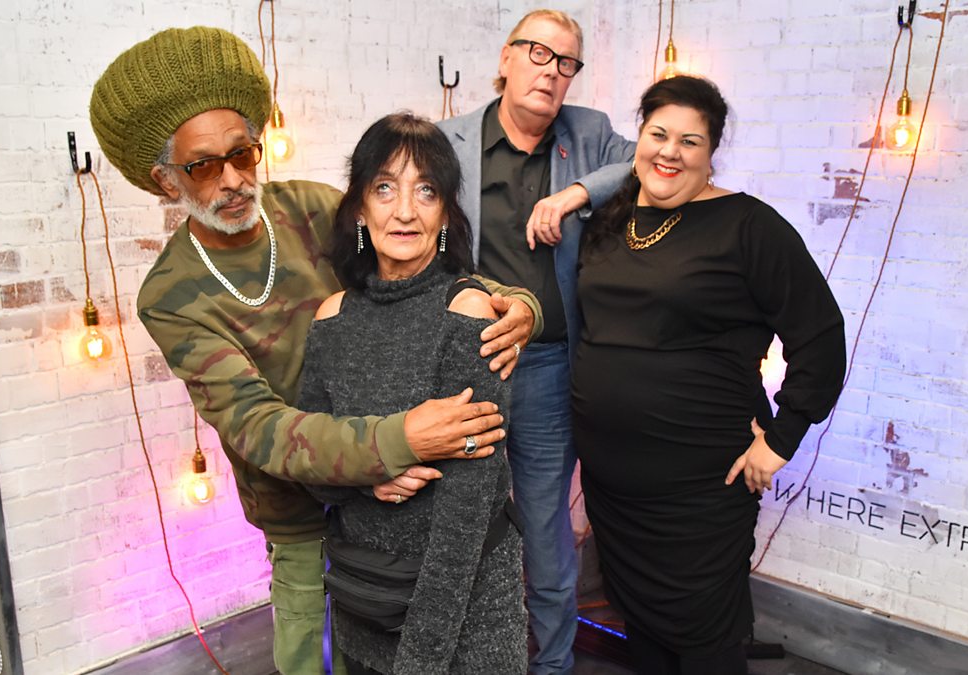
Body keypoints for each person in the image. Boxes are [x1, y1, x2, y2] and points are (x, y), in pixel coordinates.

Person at [87, 27, 541, 675]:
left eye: (242, 154)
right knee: (306, 652)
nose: (234, 179)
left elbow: (412, 258)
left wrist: (514, 302)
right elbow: (257, 425)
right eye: (203, 166)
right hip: (301, 507)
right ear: (166, 180)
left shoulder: (307, 207)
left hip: (406, 503)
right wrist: (394, 443)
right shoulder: (171, 294)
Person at [572, 75, 847, 675]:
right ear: (640, 137)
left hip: (700, 485)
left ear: (711, 151)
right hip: (614, 483)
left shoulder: (748, 226)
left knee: (704, 633)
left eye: (689, 141)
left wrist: (782, 440)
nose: (670, 152)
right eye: (658, 134)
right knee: (640, 624)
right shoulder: (611, 220)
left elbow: (821, 337)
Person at [436, 11, 634, 672]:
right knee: (463, 524)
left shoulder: (589, 133)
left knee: (548, 534)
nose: (551, 72)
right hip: (470, 366)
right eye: (539, 54)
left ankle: (552, 664)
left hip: (548, 368)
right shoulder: (448, 142)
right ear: (506, 58)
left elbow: (646, 163)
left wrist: (575, 192)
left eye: (566, 62)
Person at [300, 112, 527, 675]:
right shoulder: (332, 318)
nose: (405, 210)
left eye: (425, 190)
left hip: (465, 615)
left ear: (446, 213)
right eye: (385, 188)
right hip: (364, 596)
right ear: (359, 207)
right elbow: (311, 468)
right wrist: (366, 472)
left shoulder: (467, 311)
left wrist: (420, 660)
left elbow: (467, 512)